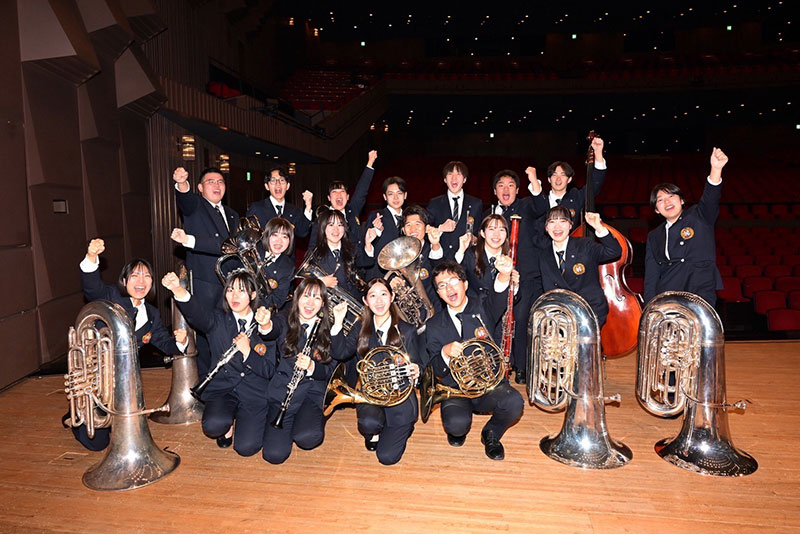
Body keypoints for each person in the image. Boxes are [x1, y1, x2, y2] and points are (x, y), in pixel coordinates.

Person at [67, 238, 187, 451]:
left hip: (123, 385)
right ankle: (76, 414)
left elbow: (163, 341)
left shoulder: (152, 314)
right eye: (135, 275)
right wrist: (92, 257)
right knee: (97, 443)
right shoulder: (112, 297)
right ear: (124, 280)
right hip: (97, 380)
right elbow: (92, 289)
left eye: (147, 276)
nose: (141, 280)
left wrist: (181, 342)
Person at [162, 270, 275, 457]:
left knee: (246, 448)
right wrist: (177, 289)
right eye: (230, 290)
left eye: (241, 290)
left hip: (254, 392)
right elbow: (196, 312)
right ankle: (227, 424)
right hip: (224, 389)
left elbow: (269, 370)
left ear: (253, 294)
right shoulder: (217, 319)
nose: (234, 296)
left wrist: (248, 352)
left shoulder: (264, 324)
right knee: (213, 426)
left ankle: (250, 419)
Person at [424, 260, 524, 461]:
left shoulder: (483, 305)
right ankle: (458, 426)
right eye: (442, 285)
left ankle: (492, 432)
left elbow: (498, 296)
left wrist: (504, 275)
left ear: (465, 284)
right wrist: (444, 352)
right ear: (439, 293)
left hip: (489, 386)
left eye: (454, 281)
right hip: (456, 389)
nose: (449, 288)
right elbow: (436, 369)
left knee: (514, 402)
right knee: (456, 426)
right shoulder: (434, 325)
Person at [330, 278, 425, 465]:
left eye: (383, 294)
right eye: (372, 296)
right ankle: (375, 431)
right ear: (365, 301)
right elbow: (340, 353)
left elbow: (419, 363)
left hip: (400, 395)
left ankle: (402, 427)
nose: (379, 300)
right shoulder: (360, 329)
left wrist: (417, 371)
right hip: (371, 395)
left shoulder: (407, 330)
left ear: (392, 297)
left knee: (387, 457)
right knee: (368, 424)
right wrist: (338, 324)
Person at [261, 277, 344, 464]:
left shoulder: (329, 328)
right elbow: (271, 330)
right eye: (306, 296)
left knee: (308, 438)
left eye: (317, 298)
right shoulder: (284, 318)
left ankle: (309, 420)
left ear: (323, 303)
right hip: (283, 392)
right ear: (297, 297)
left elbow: (331, 371)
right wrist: (265, 324)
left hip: (311, 394)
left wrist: (312, 367)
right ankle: (287, 424)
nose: (310, 303)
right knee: (274, 455)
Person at [171, 166, 240, 376]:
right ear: (200, 188)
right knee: (205, 334)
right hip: (205, 284)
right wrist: (182, 183)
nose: (216, 185)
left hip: (230, 284)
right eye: (211, 182)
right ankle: (205, 382)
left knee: (229, 331)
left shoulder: (232, 214)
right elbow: (185, 199)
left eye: (220, 182)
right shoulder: (197, 206)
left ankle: (228, 376)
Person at [484, 168, 548, 383]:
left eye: (511, 185)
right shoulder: (489, 214)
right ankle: (497, 364)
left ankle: (521, 366)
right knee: (497, 320)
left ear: (518, 190)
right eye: (501, 185)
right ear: (495, 191)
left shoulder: (527, 206)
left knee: (520, 320)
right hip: (497, 276)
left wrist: (533, 179)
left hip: (525, 275)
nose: (506, 189)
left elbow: (542, 206)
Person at [644, 147, 727, 306]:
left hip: (700, 289)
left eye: (671, 196)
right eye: (660, 200)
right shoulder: (654, 236)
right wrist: (651, 304)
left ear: (682, 200)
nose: (667, 202)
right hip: (669, 292)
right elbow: (652, 274)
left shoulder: (699, 216)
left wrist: (716, 169)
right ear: (656, 210)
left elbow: (710, 198)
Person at [539, 206, 621, 327]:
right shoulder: (543, 255)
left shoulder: (585, 245)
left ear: (570, 225)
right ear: (546, 227)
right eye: (552, 222)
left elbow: (614, 251)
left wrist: (598, 227)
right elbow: (547, 289)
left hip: (590, 311)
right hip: (560, 316)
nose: (557, 227)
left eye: (563, 221)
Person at [530, 135, 607, 228]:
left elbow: (594, 185)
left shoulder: (576, 198)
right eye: (554, 175)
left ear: (569, 179)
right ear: (549, 179)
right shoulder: (539, 200)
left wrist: (598, 153)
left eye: (563, 175)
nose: (558, 179)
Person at [309, 150, 378, 245]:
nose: (339, 195)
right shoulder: (322, 219)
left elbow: (361, 190)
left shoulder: (352, 210)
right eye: (334, 192)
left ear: (348, 196)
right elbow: (313, 246)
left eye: (342, 192)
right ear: (329, 198)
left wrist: (370, 162)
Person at [305, 208, 374, 301]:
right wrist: (320, 282)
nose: (336, 229)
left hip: (354, 301)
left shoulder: (353, 248)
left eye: (340, 225)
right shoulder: (314, 253)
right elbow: (306, 285)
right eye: (331, 225)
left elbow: (367, 262)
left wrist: (368, 244)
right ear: (323, 228)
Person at [246, 165, 313, 250]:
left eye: (282, 180)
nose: (278, 184)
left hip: (287, 258)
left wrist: (308, 207)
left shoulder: (294, 210)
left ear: (288, 186)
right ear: (267, 186)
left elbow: (302, 232)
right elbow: (249, 239)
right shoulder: (256, 208)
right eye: (273, 181)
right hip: (263, 257)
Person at [426, 161, 483, 260]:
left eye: (458, 174)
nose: (454, 178)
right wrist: (440, 228)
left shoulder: (476, 204)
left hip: (466, 261)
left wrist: (473, 240)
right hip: (441, 260)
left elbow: (480, 234)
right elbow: (424, 231)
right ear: (445, 179)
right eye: (450, 174)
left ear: (464, 179)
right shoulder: (434, 203)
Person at [363, 176, 409, 278]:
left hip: (404, 276)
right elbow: (366, 248)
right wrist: (377, 231)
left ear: (405, 195)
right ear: (385, 197)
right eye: (391, 194)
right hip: (380, 276)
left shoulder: (410, 218)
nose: (395, 198)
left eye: (399, 193)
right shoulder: (376, 216)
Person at [257, 217, 297, 312]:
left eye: (284, 237)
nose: (279, 241)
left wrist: (255, 296)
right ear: (267, 236)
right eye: (275, 235)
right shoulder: (253, 250)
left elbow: (277, 300)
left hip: (263, 311)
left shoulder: (288, 267)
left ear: (290, 241)